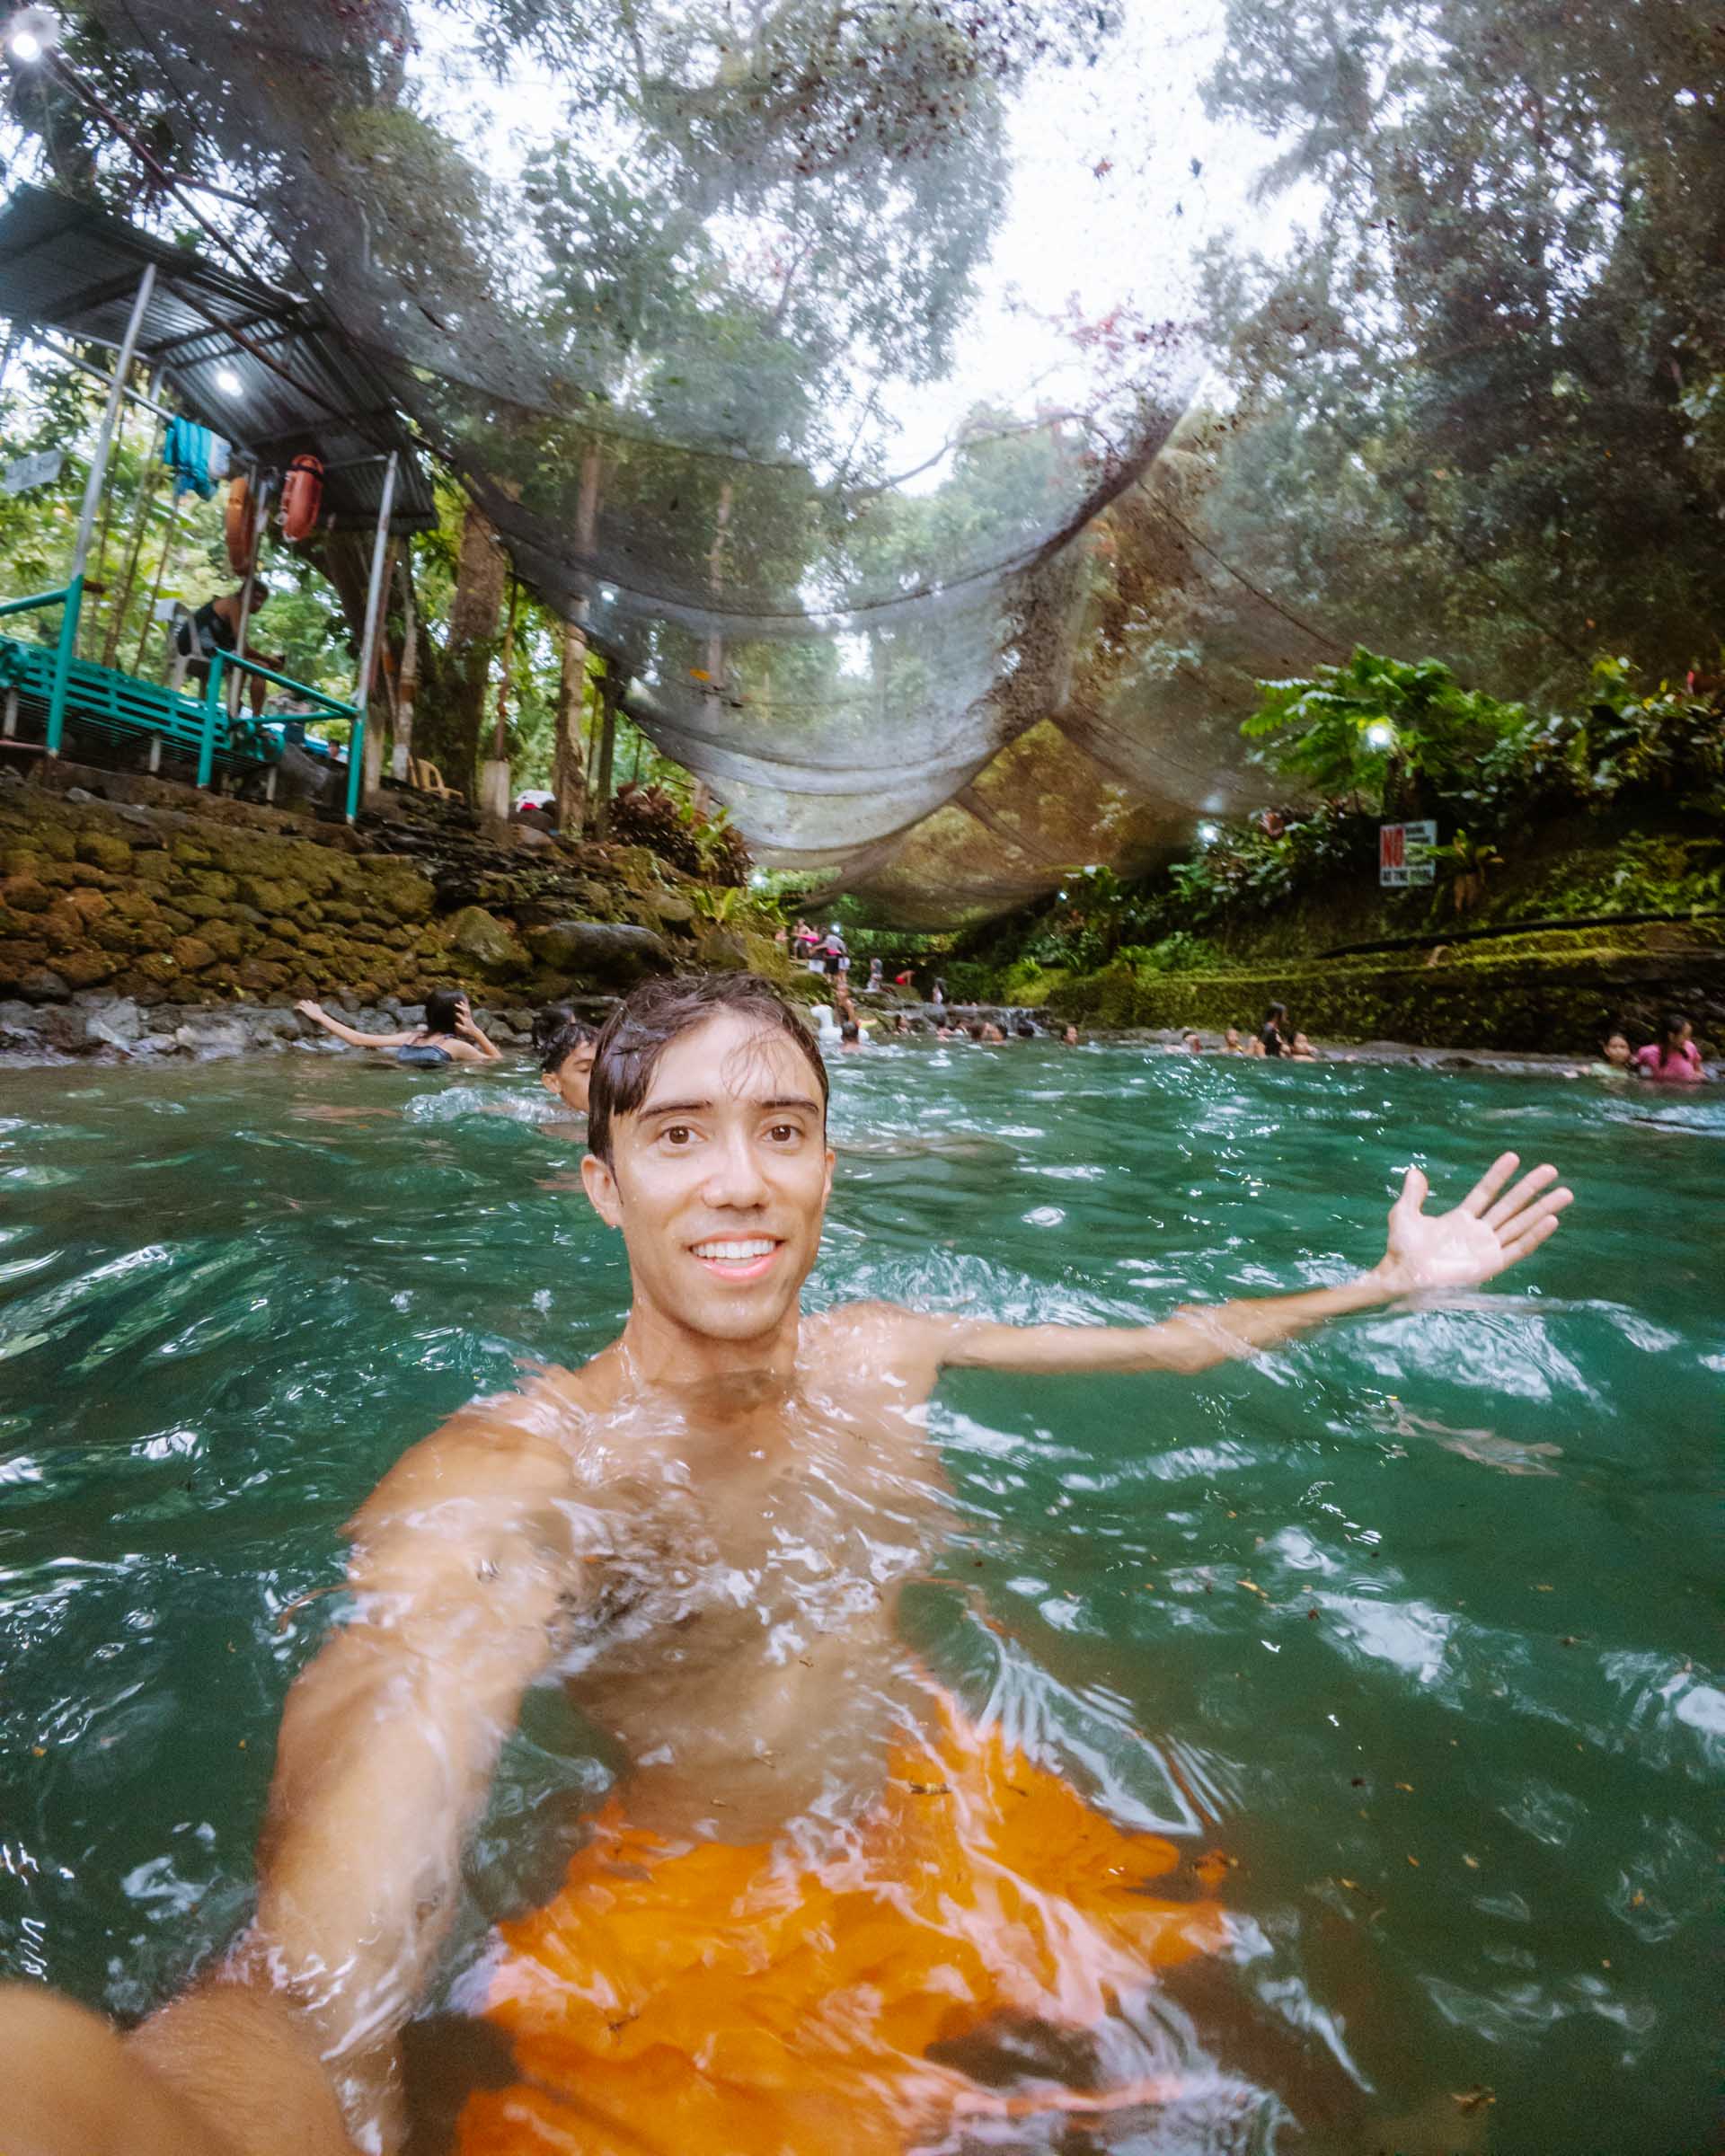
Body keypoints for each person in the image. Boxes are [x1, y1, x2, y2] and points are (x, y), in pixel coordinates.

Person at [3, 973, 1574, 2156]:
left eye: (783, 1132)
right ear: (603, 1183)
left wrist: (1387, 1285)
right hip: (704, 1923)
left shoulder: (887, 1350)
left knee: (1354, 2065)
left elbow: (1179, 1342)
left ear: (828, 1166)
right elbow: (323, 1956)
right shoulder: (516, 1477)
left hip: (957, 1801)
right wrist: (160, 2108)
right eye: (679, 1137)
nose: (741, 1181)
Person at [295, 987, 503, 1066]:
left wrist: (320, 1016)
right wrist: (475, 1030)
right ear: (458, 1017)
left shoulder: (412, 1038)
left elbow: (357, 1039)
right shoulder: (454, 1046)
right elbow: (496, 1061)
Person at [170, 584, 284, 718]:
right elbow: (243, 648)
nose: (258, 604)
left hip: (204, 649)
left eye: (261, 601)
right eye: (256, 598)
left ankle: (234, 708)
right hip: (195, 649)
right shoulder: (234, 603)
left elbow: (239, 650)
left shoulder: (238, 611)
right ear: (244, 594)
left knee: (245, 665)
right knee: (260, 667)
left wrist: (265, 660)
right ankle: (254, 719)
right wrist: (270, 661)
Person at [539, 1016, 598, 1115]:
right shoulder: (549, 1123)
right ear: (553, 1083)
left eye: (607, 1068)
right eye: (585, 1069)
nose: (602, 1078)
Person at [1632, 1011, 1703, 1083]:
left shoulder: (1690, 1047)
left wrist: (1700, 1076)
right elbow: (1631, 1070)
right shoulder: (1647, 1052)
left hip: (1688, 1092)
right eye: (1685, 1036)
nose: (1688, 1040)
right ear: (1671, 1036)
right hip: (1661, 1092)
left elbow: (1699, 1071)